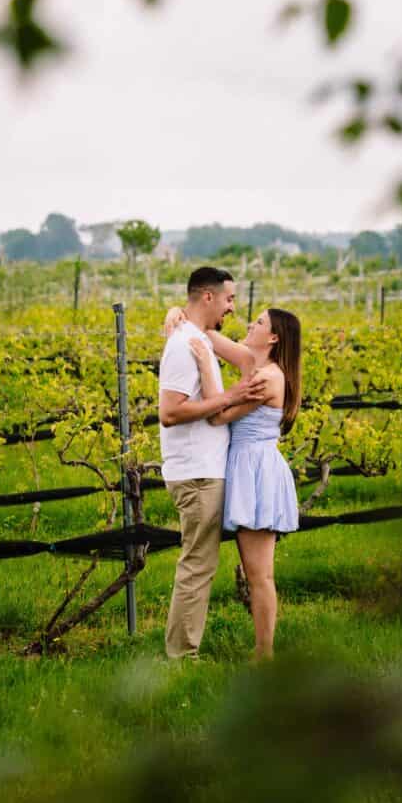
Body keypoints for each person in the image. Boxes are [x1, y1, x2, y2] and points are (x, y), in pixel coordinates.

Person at [164, 304, 302, 661]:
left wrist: (208, 366)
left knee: (259, 574)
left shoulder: (268, 377)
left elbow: (218, 415)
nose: (249, 323)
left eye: (258, 322)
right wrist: (177, 311)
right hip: (244, 467)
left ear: (272, 337)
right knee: (254, 570)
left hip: (256, 471)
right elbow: (207, 332)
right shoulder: (249, 361)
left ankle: (264, 654)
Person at [156, 267, 269, 659]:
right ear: (208, 297)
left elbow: (241, 361)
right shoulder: (184, 344)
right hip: (197, 473)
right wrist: (229, 396)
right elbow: (170, 412)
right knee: (197, 566)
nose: (233, 308)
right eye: (228, 299)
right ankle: (182, 657)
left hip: (208, 469)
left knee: (202, 565)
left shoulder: (198, 337)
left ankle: (184, 652)